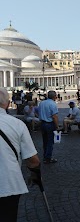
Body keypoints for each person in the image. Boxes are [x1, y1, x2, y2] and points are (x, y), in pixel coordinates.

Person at [0, 88, 41, 222]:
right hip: (9, 184)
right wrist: (34, 175)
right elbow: (33, 160)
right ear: (7, 104)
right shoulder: (17, 124)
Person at [38, 91, 59, 164]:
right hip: (50, 124)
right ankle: (48, 158)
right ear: (54, 96)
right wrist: (57, 126)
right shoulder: (53, 104)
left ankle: (45, 156)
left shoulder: (42, 103)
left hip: (42, 123)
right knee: (50, 141)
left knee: (45, 141)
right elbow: (54, 116)